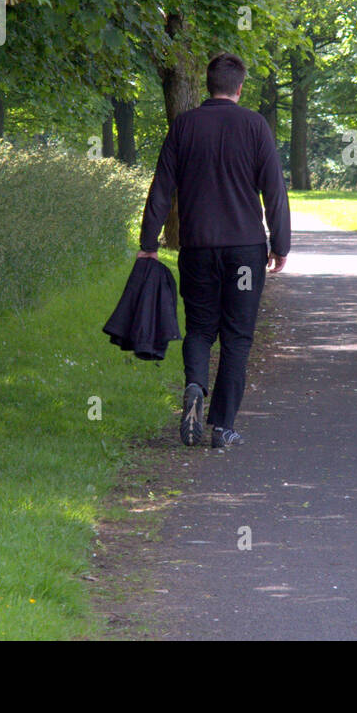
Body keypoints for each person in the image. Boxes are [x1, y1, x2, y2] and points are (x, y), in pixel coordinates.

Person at [136, 53, 290, 448]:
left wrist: (148, 244)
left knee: (201, 328)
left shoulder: (184, 127)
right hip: (245, 251)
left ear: (208, 85)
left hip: (199, 247)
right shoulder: (255, 126)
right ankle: (222, 428)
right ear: (239, 87)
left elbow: (161, 188)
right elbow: (274, 190)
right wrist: (281, 244)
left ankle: (194, 386)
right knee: (237, 337)